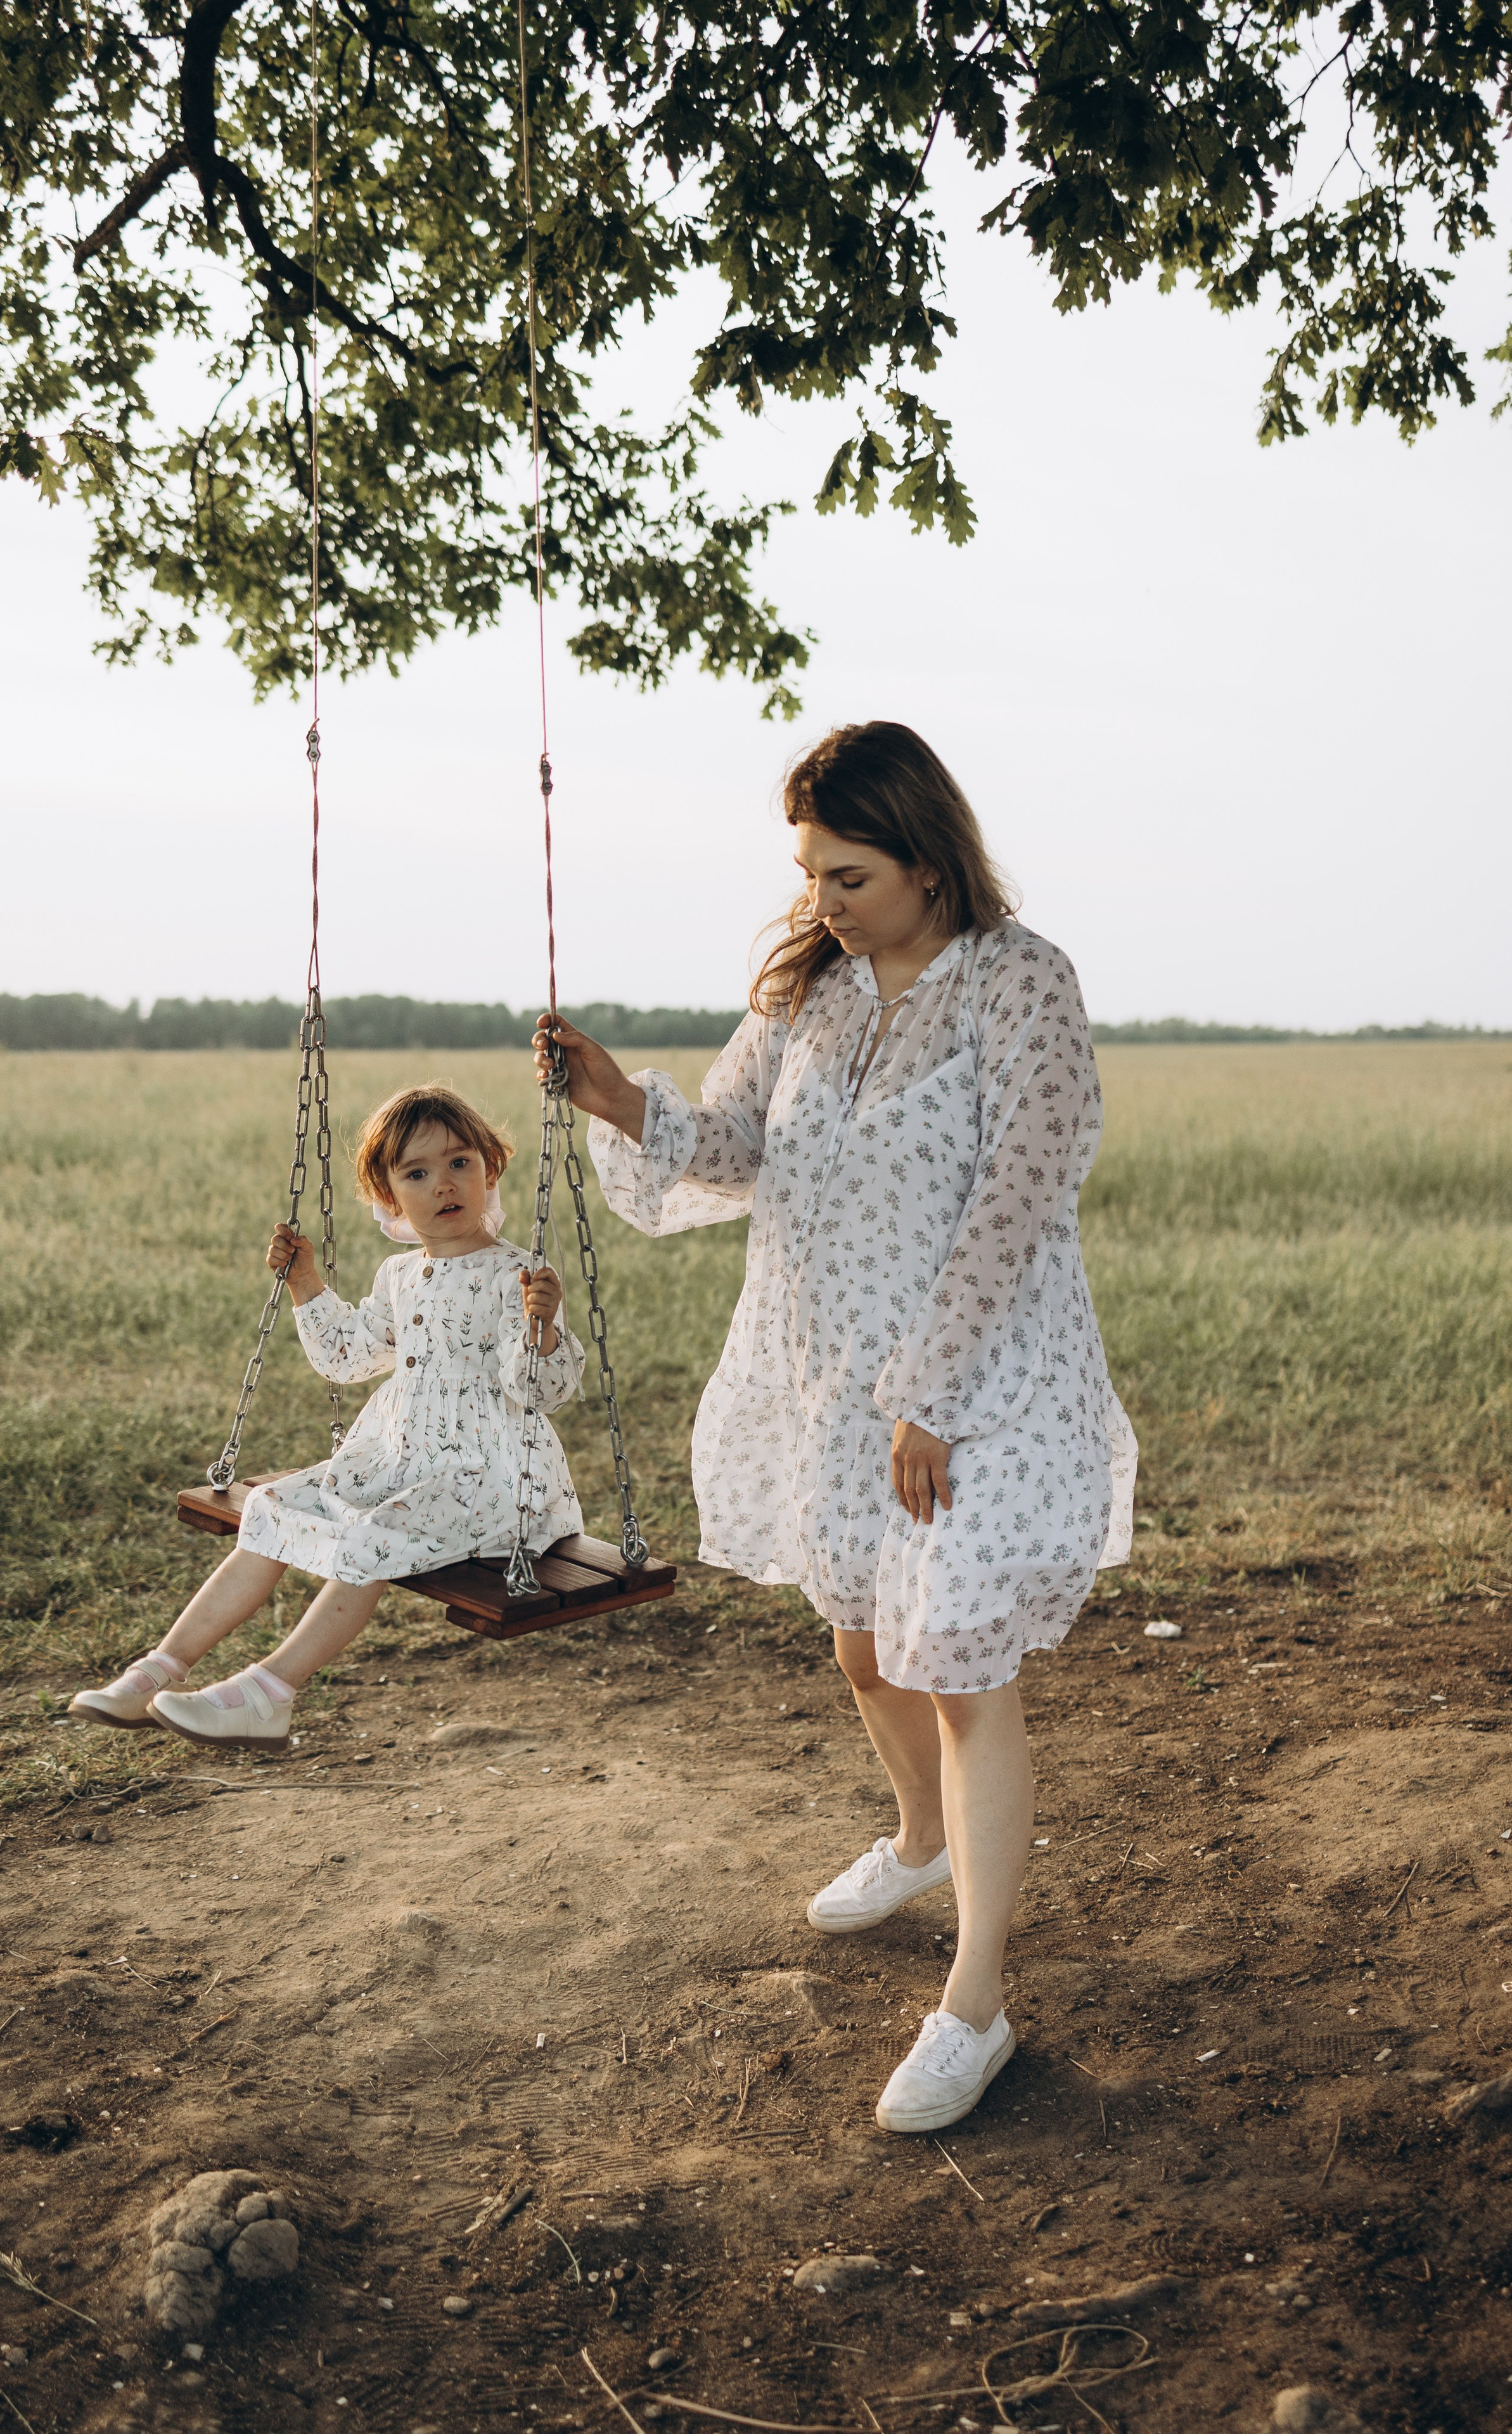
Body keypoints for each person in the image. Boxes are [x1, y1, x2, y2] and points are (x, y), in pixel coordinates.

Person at [535, 722, 1135, 2134]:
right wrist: (618, 1100)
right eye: (808, 873)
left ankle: (974, 2006)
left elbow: (1017, 1199)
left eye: (847, 875)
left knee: (959, 1672)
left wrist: (930, 1396)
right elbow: (741, 1147)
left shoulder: (1020, 984)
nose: (821, 901)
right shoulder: (810, 992)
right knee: (863, 1644)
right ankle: (920, 1839)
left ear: (929, 861)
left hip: (975, 1388)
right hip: (825, 1374)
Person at [68, 1083, 582, 1751]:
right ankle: (159, 1670)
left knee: (369, 1537)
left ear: (492, 1166)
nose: (444, 1185)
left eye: (460, 1163)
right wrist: (306, 1281)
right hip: (400, 1458)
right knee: (270, 1505)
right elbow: (351, 1356)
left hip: (489, 1480)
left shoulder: (519, 1274)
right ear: (389, 1197)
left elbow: (540, 1390)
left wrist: (543, 1329)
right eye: (417, 1174)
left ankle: (269, 1694)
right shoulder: (400, 1274)